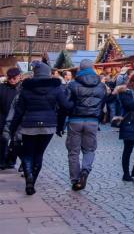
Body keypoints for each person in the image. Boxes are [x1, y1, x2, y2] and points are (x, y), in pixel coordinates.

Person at [7, 63, 70, 195]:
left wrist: (12, 129)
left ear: (35, 73)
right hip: (48, 125)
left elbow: (19, 111)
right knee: (39, 154)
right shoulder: (56, 88)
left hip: (29, 125)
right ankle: (32, 181)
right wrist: (60, 125)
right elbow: (65, 107)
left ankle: (29, 177)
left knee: (28, 153)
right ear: (48, 73)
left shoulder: (26, 89)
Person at [64, 59, 108, 191]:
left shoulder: (72, 84)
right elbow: (103, 103)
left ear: (80, 69)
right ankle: (85, 171)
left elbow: (66, 103)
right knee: (89, 150)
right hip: (92, 121)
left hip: (75, 120)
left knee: (73, 151)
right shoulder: (101, 85)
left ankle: (75, 180)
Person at [0, 67, 21, 169]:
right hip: (3, 118)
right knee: (3, 141)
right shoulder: (2, 88)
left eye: (14, 78)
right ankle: (2, 161)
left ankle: (11, 160)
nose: (12, 80)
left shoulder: (22, 89)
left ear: (19, 77)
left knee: (16, 142)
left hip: (17, 120)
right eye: (10, 78)